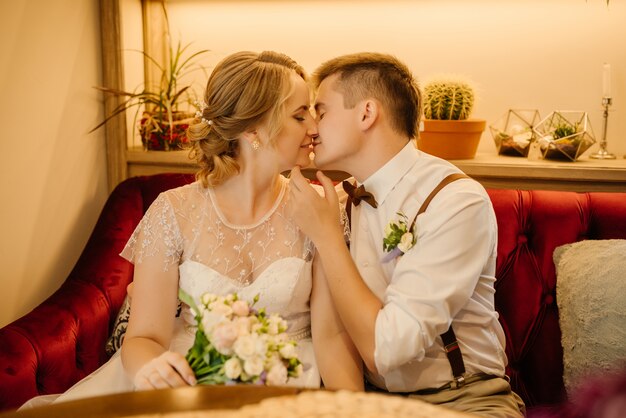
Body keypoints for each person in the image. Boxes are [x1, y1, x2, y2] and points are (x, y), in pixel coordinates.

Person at [21, 50, 361, 408]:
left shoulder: (318, 207)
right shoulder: (173, 211)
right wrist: (154, 370)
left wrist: (358, 410)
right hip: (188, 376)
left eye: (312, 112)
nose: (313, 127)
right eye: (299, 115)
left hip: (286, 381)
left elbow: (331, 336)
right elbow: (143, 339)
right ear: (252, 129)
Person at [288, 52, 526, 417]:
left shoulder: (455, 201)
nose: (313, 128)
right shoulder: (335, 201)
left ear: (367, 113)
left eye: (321, 111)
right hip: (371, 400)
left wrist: (328, 238)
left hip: (463, 400)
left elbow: (387, 348)